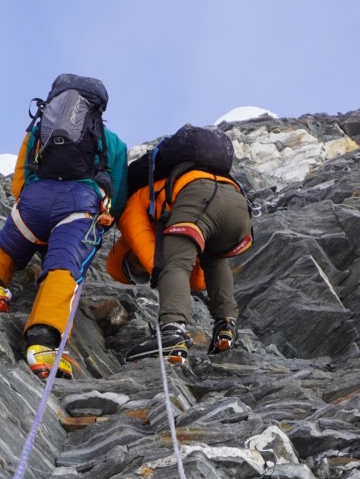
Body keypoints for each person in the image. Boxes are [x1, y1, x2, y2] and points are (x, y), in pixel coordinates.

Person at [0, 73, 128, 378]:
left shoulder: (39, 130)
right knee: (64, 267)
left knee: (5, 246)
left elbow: (20, 179)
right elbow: (118, 194)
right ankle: (43, 339)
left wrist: (28, 204)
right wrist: (103, 221)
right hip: (79, 205)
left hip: (34, 200)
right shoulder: (112, 142)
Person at [107, 131, 253, 364]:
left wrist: (156, 271)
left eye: (133, 264)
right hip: (237, 204)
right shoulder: (165, 192)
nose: (141, 267)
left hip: (197, 195)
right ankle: (225, 326)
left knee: (174, 264)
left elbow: (157, 256)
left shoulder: (133, 205)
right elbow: (199, 278)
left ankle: (172, 331)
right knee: (214, 259)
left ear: (126, 250)